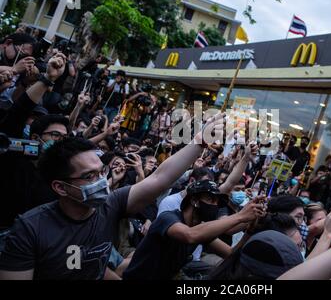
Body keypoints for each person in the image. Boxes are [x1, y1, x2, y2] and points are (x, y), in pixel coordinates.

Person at [0, 112, 226, 279]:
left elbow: (159, 178)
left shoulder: (110, 205)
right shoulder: (29, 230)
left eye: (101, 171)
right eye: (89, 176)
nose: (100, 180)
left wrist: (199, 142)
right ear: (60, 187)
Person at [122, 179, 265, 280]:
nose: (215, 206)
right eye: (210, 200)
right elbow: (190, 235)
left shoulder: (201, 229)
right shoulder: (169, 218)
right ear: (194, 200)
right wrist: (240, 216)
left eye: (217, 202)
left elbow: (230, 254)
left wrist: (250, 230)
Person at [0, 53, 68, 252]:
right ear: (35, 137)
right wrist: (48, 79)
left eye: (64, 138)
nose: (59, 141)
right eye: (55, 135)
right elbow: (19, 110)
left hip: (33, 246)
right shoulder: (12, 155)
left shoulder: (58, 178)